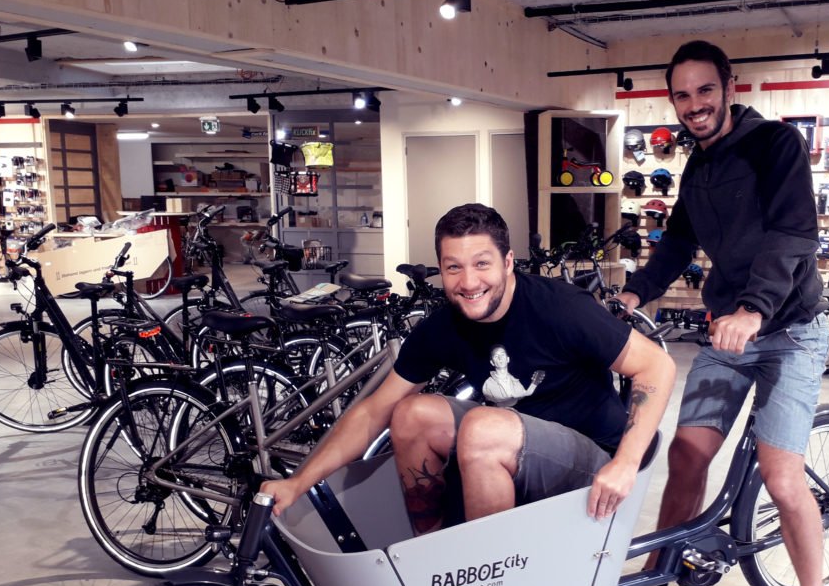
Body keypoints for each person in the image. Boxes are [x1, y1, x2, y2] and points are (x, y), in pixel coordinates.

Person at [614, 40, 829, 586]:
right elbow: (678, 241)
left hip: (788, 331)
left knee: (783, 476)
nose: (693, 106)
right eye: (681, 96)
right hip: (728, 334)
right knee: (686, 452)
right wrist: (635, 290)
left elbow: (794, 235)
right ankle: (657, 579)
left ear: (729, 86)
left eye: (704, 91)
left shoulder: (776, 147)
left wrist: (756, 310)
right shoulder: (696, 168)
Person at [261, 203, 675, 539]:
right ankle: (435, 552)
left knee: (482, 428)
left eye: (481, 264)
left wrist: (624, 464)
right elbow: (374, 411)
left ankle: (485, 576)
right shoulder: (444, 325)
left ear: (508, 262)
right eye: (453, 267)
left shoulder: (561, 308)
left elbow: (656, 365)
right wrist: (297, 483)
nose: (468, 281)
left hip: (591, 459)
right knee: (410, 413)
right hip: (514, 443)